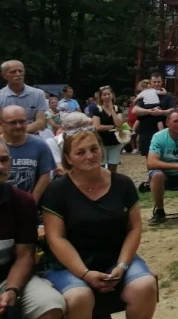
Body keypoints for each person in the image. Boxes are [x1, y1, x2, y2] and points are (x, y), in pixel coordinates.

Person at [41, 130, 157, 319]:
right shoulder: (57, 190)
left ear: (101, 150)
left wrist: (122, 265)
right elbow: (56, 237)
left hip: (115, 258)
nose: (89, 156)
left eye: (94, 149)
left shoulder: (123, 184)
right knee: (79, 297)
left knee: (145, 285)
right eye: (80, 152)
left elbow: (134, 228)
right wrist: (85, 274)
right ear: (68, 159)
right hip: (70, 264)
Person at [0, 141, 67, 319]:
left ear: (11, 162)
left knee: (50, 303)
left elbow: (25, 255)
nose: (0, 166)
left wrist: (12, 290)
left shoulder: (22, 201)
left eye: (3, 159)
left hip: (7, 276)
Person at [0, 106, 54, 202]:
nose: (18, 126)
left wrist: (32, 202)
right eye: (12, 122)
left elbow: (45, 175)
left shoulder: (40, 145)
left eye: (22, 121)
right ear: (1, 123)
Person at [0, 60, 48, 134]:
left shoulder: (38, 94)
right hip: (6, 137)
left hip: (32, 136)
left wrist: (19, 131)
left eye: (20, 71)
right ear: (4, 75)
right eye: (13, 72)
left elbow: (40, 121)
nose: (18, 74)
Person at [131, 73, 174, 156]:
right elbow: (135, 110)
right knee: (149, 155)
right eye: (154, 82)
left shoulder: (168, 95)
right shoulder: (145, 93)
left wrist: (161, 112)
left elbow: (173, 110)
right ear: (150, 82)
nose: (157, 84)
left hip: (164, 131)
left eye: (159, 82)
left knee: (165, 156)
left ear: (162, 82)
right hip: (146, 130)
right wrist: (150, 111)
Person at [90, 86, 124, 174]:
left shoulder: (117, 109)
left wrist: (112, 110)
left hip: (115, 142)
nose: (107, 96)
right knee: (101, 165)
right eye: (104, 95)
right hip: (102, 142)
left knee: (113, 166)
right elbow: (97, 127)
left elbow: (119, 124)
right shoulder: (97, 109)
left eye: (108, 94)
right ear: (101, 97)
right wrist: (112, 126)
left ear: (112, 95)